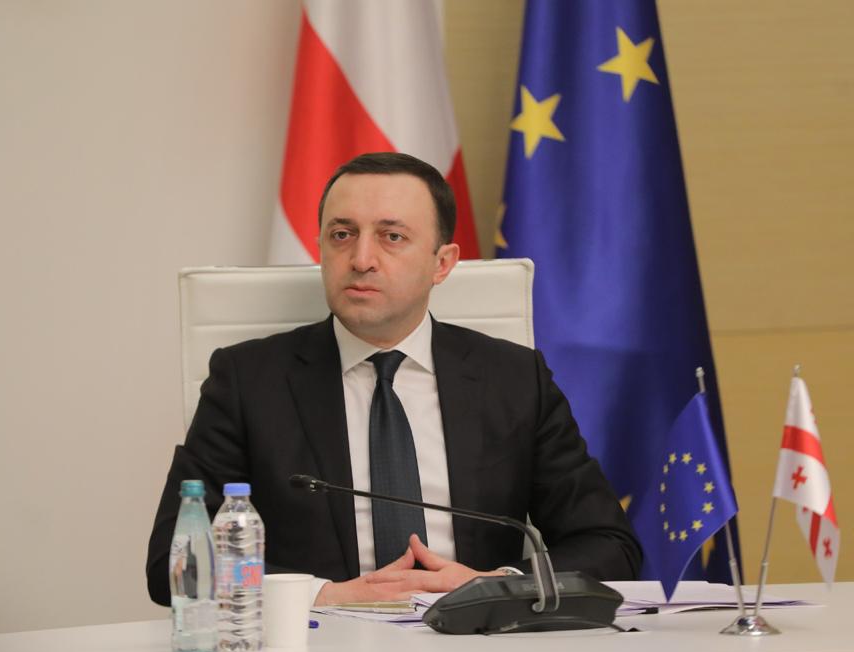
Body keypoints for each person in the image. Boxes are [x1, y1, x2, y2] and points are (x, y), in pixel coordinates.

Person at [147, 152, 641, 607]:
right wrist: (322, 595)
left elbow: (610, 545)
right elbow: (176, 560)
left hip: (477, 644)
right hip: (321, 646)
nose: (361, 259)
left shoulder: (513, 379)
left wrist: (497, 585)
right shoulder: (248, 380)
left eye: (392, 237)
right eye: (342, 234)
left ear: (442, 263)